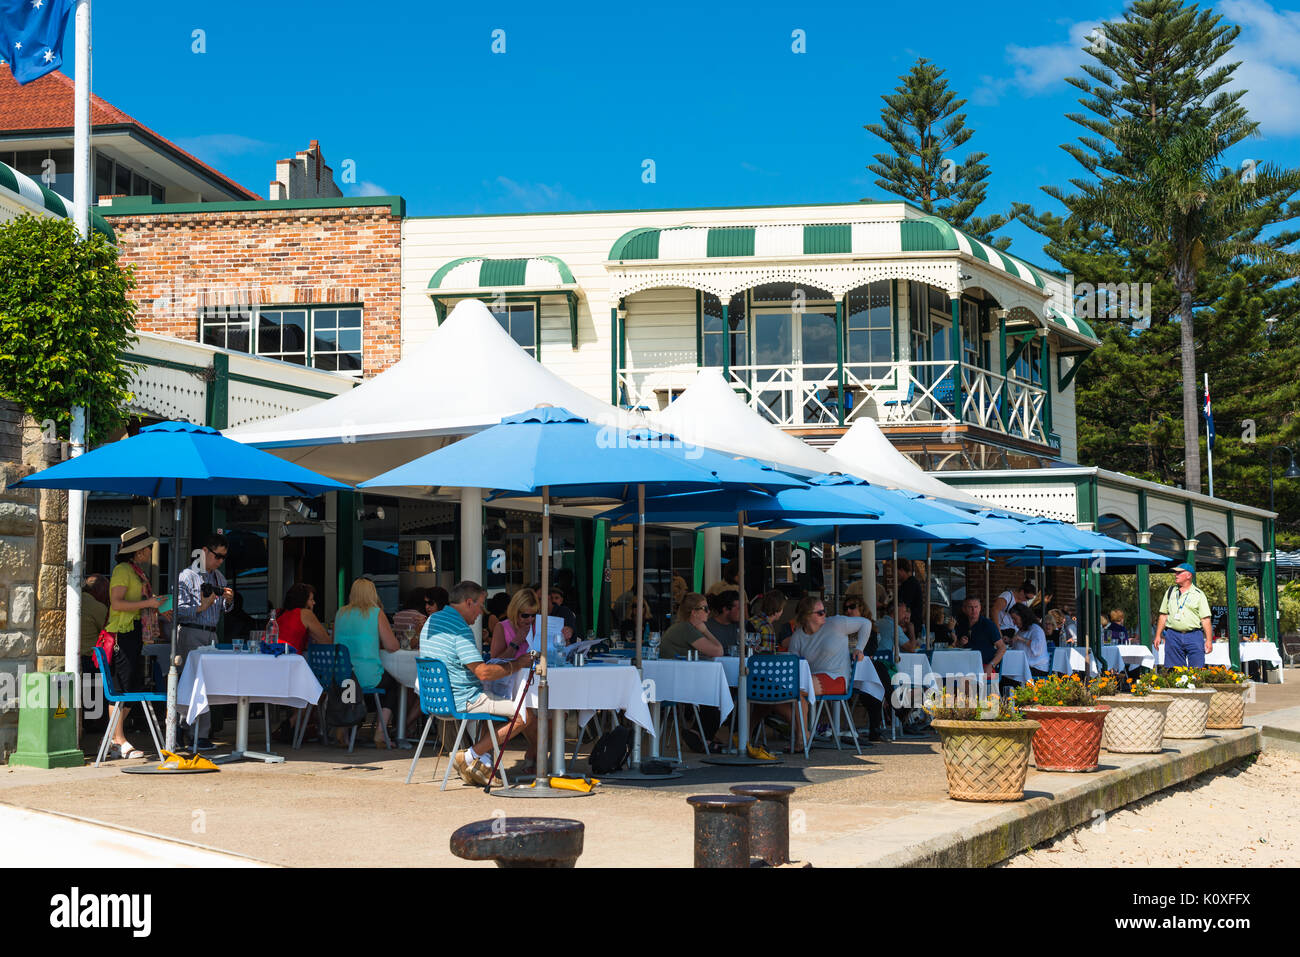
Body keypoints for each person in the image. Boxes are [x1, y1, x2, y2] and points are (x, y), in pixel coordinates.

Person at [422, 580, 536, 785]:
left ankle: (481, 764)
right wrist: (517, 664)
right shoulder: (459, 629)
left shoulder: (432, 622)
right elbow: (483, 672)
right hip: (463, 698)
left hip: (436, 697)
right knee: (523, 715)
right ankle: (467, 757)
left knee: (494, 703)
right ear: (468, 602)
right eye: (480, 605)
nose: (481, 612)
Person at [103, 527, 170, 760]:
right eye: (148, 547)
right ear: (138, 550)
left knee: (133, 685)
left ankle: (115, 738)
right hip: (122, 633)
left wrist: (157, 606)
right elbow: (117, 603)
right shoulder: (123, 570)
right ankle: (118, 739)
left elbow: (138, 602)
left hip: (132, 633)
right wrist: (148, 603)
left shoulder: (136, 572)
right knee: (122, 687)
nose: (151, 550)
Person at [175, 533, 234, 751]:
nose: (219, 561)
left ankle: (191, 731)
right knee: (192, 684)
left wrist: (228, 601)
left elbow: (225, 610)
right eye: (217, 556)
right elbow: (180, 611)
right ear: (205, 552)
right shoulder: (188, 576)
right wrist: (205, 603)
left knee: (206, 686)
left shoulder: (219, 578)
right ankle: (195, 733)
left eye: (223, 558)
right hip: (192, 632)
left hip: (211, 634)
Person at [786, 596, 873, 741]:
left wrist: (859, 648)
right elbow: (793, 664)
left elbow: (866, 623)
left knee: (796, 689)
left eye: (824, 611)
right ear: (807, 616)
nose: (824, 614)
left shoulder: (836, 623)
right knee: (774, 694)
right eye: (820, 613)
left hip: (836, 678)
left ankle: (802, 735)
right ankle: (746, 738)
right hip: (811, 679)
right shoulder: (798, 636)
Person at [333, 578, 402, 750]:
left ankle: (344, 728)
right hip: (366, 676)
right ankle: (380, 732)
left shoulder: (340, 613)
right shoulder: (375, 612)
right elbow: (392, 646)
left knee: (353, 689)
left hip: (343, 676)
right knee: (393, 684)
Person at [1153, 563, 1213, 669]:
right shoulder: (1170, 591)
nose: (1176, 574)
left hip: (1194, 635)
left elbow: (1205, 619)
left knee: (1197, 670)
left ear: (1189, 575)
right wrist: (1158, 635)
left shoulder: (1199, 594)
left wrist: (1209, 640)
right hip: (1173, 635)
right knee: (1175, 671)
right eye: (1175, 572)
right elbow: (1163, 615)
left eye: (1179, 572)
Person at [660, 593, 725, 660]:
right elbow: (718, 652)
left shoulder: (684, 626)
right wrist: (705, 631)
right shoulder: (686, 628)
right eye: (705, 608)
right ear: (694, 612)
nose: (708, 611)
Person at [954, 597, 1007, 677]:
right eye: (970, 607)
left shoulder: (988, 625)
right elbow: (956, 645)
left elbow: (1002, 647)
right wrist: (960, 643)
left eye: (976, 607)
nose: (973, 610)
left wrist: (991, 665)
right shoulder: (961, 624)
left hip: (985, 666)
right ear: (964, 609)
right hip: (964, 666)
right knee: (949, 677)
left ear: (980, 608)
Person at [490, 587, 539, 662]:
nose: (530, 619)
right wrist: (516, 642)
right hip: (513, 673)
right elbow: (495, 663)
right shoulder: (502, 627)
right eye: (525, 616)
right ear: (515, 612)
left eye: (533, 615)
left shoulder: (539, 625)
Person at [277, 583, 329, 654]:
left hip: (272, 658)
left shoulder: (280, 613)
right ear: (303, 601)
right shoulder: (305, 613)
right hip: (290, 660)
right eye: (311, 599)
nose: (314, 603)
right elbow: (327, 642)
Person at [1009, 603, 1050, 677]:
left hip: (1037, 668)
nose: (1013, 622)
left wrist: (1020, 638)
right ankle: (988, 684)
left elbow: (1038, 648)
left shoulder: (1036, 629)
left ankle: (988, 685)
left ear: (1023, 616)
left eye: (1015, 619)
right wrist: (1009, 641)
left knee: (1003, 674)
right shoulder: (1021, 630)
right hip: (1024, 667)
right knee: (1001, 672)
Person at [747, 591, 786, 655]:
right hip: (760, 662)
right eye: (782, 609)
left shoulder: (752, 620)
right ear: (777, 610)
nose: (782, 612)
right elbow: (769, 657)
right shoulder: (767, 628)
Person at [706, 589, 742, 653]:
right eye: (739, 608)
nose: (742, 611)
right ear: (725, 610)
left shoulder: (744, 625)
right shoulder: (706, 627)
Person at [895, 560, 924, 628]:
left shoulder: (911, 583)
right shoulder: (906, 583)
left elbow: (904, 605)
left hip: (911, 624)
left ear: (902, 570)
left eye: (895, 571)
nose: (894, 575)